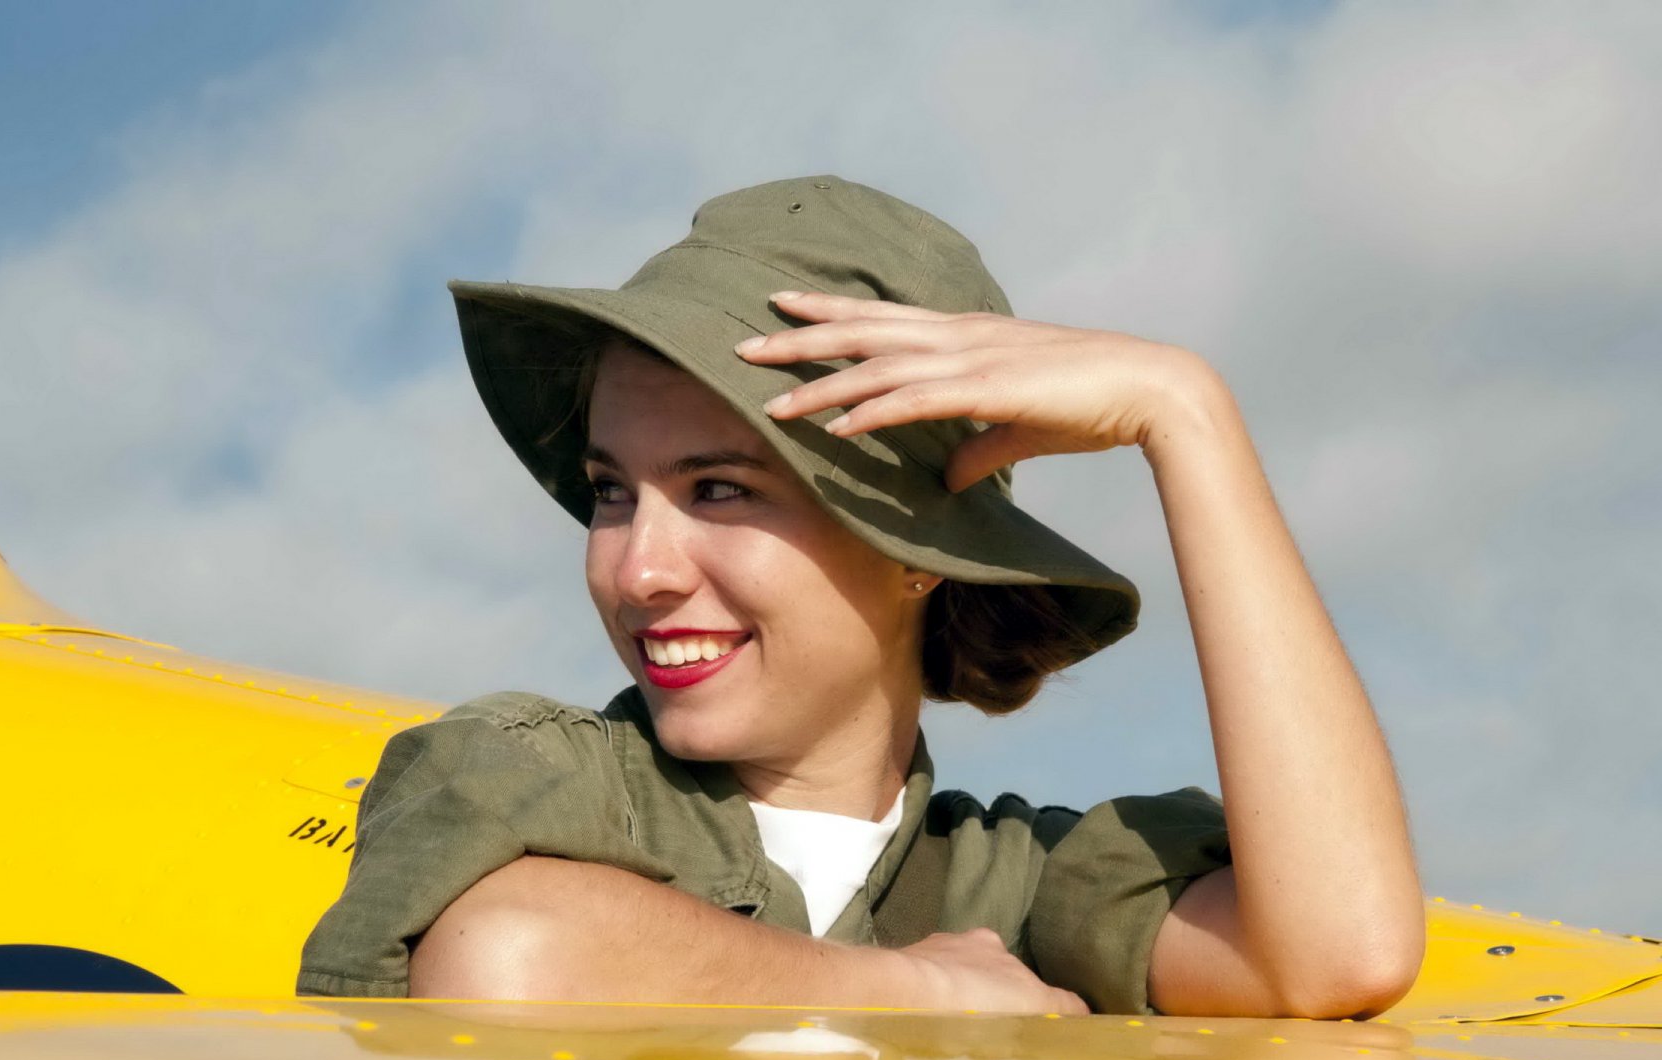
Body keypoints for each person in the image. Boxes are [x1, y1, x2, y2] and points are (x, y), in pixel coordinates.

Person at [297, 176, 1423, 1017]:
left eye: (721, 489)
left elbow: (1342, 953)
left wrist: (1185, 414)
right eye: (611, 492)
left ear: (918, 548)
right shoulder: (530, 781)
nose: (638, 570)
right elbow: (510, 955)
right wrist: (918, 994)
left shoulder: (1016, 890)